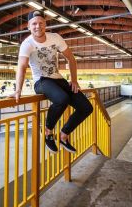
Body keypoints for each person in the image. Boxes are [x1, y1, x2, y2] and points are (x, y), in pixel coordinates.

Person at [10, 10, 93, 154]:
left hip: (58, 79)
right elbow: (22, 67)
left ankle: (64, 135)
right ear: (29, 26)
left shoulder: (55, 38)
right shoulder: (27, 44)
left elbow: (71, 59)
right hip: (41, 81)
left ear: (45, 24)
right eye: (34, 24)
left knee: (86, 107)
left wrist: (74, 80)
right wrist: (18, 90)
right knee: (62, 99)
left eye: (40, 23)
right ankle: (48, 131)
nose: (38, 26)